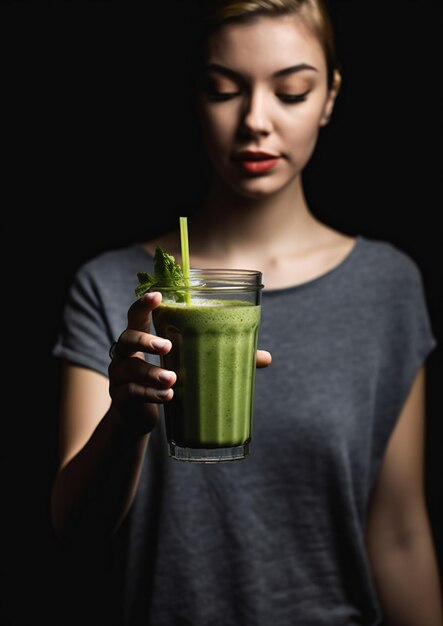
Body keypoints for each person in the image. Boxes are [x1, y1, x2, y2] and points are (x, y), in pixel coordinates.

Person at [51, 0, 443, 624]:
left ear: (330, 96)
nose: (255, 120)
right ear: (195, 98)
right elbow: (73, 535)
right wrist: (126, 422)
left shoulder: (387, 286)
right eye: (223, 90)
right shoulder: (112, 288)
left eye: (291, 92)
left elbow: (399, 535)